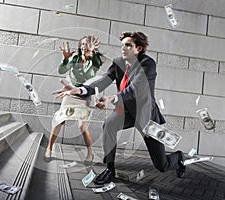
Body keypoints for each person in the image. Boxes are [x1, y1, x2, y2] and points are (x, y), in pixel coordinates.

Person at [54, 31, 186, 184]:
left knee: (162, 165)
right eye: (122, 45)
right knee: (109, 125)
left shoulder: (148, 64)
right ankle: (110, 169)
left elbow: (135, 89)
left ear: (139, 49)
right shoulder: (118, 63)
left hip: (145, 116)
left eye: (128, 45)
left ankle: (179, 158)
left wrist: (112, 98)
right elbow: (103, 80)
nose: (123, 48)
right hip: (126, 112)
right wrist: (81, 90)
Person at [44, 35, 104, 164]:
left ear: (92, 48)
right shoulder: (75, 57)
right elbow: (62, 70)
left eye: (87, 45)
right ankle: (49, 148)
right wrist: (65, 59)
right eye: (82, 44)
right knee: (59, 121)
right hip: (70, 92)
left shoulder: (95, 61)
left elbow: (93, 70)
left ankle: (90, 152)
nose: (84, 47)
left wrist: (92, 54)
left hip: (84, 95)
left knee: (82, 126)